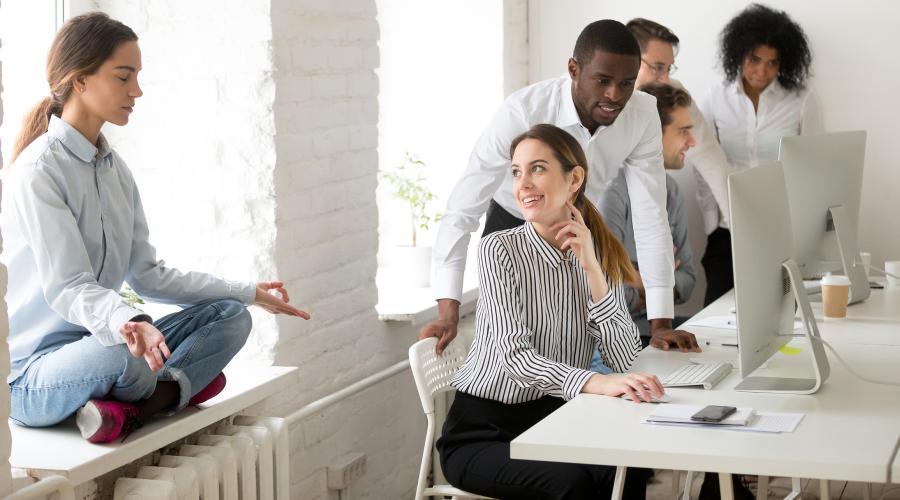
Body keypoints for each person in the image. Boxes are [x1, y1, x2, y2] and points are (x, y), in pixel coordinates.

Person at [1, 12, 309, 444]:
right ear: (81, 80)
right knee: (126, 358)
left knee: (231, 316)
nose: (137, 91)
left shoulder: (115, 172)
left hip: (104, 338)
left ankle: (137, 406)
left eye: (137, 77)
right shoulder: (38, 172)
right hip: (36, 377)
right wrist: (131, 322)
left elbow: (147, 275)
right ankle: (171, 391)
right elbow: (70, 286)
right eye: (123, 77)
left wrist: (247, 292)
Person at [422, 19, 699, 355]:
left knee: (575, 342)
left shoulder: (642, 114)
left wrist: (661, 325)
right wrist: (448, 312)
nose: (614, 95)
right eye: (602, 81)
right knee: (516, 346)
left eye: (626, 83)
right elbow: (462, 210)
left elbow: (650, 217)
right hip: (514, 225)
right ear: (573, 69)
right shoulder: (523, 111)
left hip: (575, 225)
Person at [437, 123, 660, 499]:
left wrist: (592, 269)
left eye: (537, 168)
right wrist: (598, 383)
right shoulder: (499, 250)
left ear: (574, 179)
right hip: (483, 432)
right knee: (571, 484)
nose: (523, 183)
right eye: (516, 172)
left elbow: (623, 357)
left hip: (554, 420)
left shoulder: (596, 251)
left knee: (628, 467)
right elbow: (516, 358)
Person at [701, 3, 823, 303]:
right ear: (739, 53)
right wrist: (710, 225)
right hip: (728, 229)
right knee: (717, 312)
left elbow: (814, 167)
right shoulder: (716, 97)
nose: (762, 71)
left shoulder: (802, 99)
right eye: (755, 59)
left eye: (773, 62)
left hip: (782, 227)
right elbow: (702, 165)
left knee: (781, 312)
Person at [626, 18, 736, 306]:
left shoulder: (671, 95)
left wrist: (741, 239)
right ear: (629, 60)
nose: (665, 78)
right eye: (657, 67)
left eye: (669, 68)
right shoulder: (601, 103)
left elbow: (713, 162)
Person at [594, 83, 696, 355]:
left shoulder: (671, 190)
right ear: (652, 132)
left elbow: (687, 279)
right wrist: (656, 283)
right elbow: (605, 291)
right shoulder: (611, 191)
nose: (692, 141)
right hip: (614, 337)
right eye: (683, 131)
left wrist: (638, 281)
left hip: (656, 326)